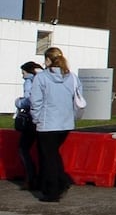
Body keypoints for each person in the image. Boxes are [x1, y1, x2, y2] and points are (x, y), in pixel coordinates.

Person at [29, 47, 79, 203]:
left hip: (47, 122)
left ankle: (52, 190)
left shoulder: (41, 78)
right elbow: (77, 98)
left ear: (48, 60)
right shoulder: (72, 77)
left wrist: (35, 118)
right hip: (65, 123)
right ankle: (61, 181)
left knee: (48, 157)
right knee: (53, 154)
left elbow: (35, 101)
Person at [14, 61, 43, 190]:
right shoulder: (44, 79)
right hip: (46, 119)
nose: (22, 76)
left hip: (32, 119)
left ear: (29, 72)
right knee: (42, 150)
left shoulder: (29, 82)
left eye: (23, 73)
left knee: (23, 148)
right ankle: (42, 179)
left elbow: (29, 100)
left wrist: (18, 102)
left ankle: (30, 178)